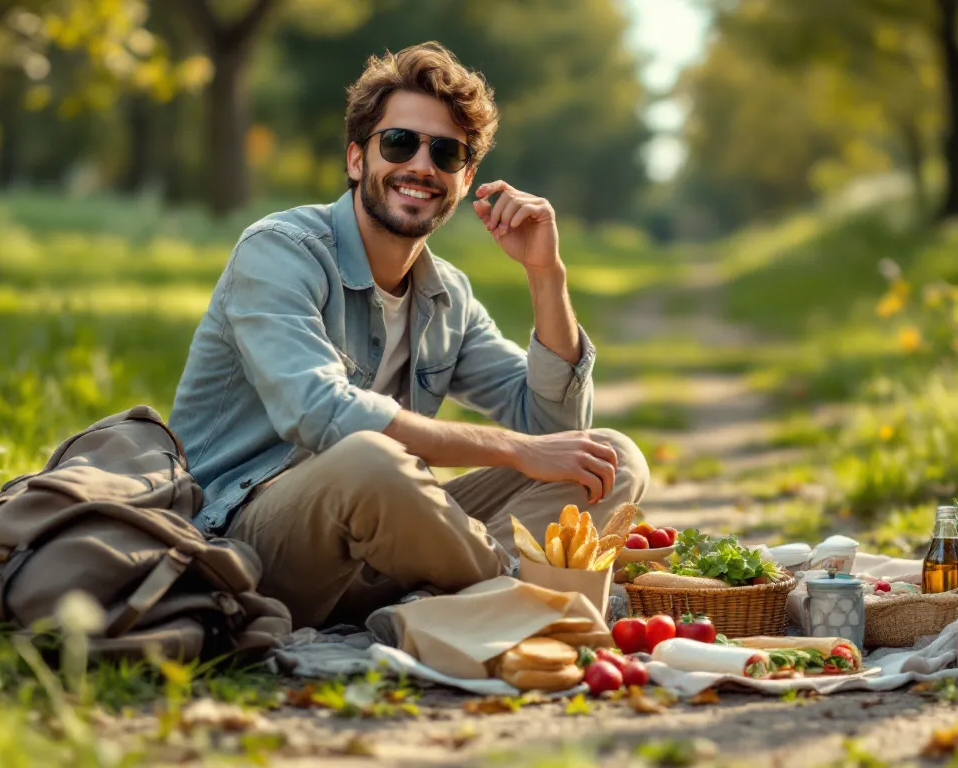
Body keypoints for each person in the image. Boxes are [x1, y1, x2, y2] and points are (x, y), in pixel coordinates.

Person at [168, 42, 649, 630]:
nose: (422, 165)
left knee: (607, 457)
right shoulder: (278, 251)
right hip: (252, 542)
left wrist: (546, 275)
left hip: (389, 548)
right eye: (399, 143)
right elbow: (321, 414)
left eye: (445, 153)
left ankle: (432, 612)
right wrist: (512, 448)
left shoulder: (447, 294)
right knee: (371, 458)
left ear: (464, 179)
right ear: (355, 159)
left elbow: (555, 432)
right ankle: (511, 599)